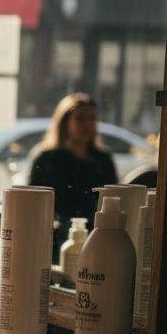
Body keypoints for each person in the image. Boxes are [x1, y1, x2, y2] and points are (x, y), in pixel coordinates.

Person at [28, 93, 117, 256]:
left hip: (96, 239)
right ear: (64, 123)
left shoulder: (103, 160)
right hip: (55, 241)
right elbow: (33, 205)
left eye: (92, 119)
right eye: (80, 119)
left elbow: (113, 200)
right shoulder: (47, 159)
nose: (87, 125)